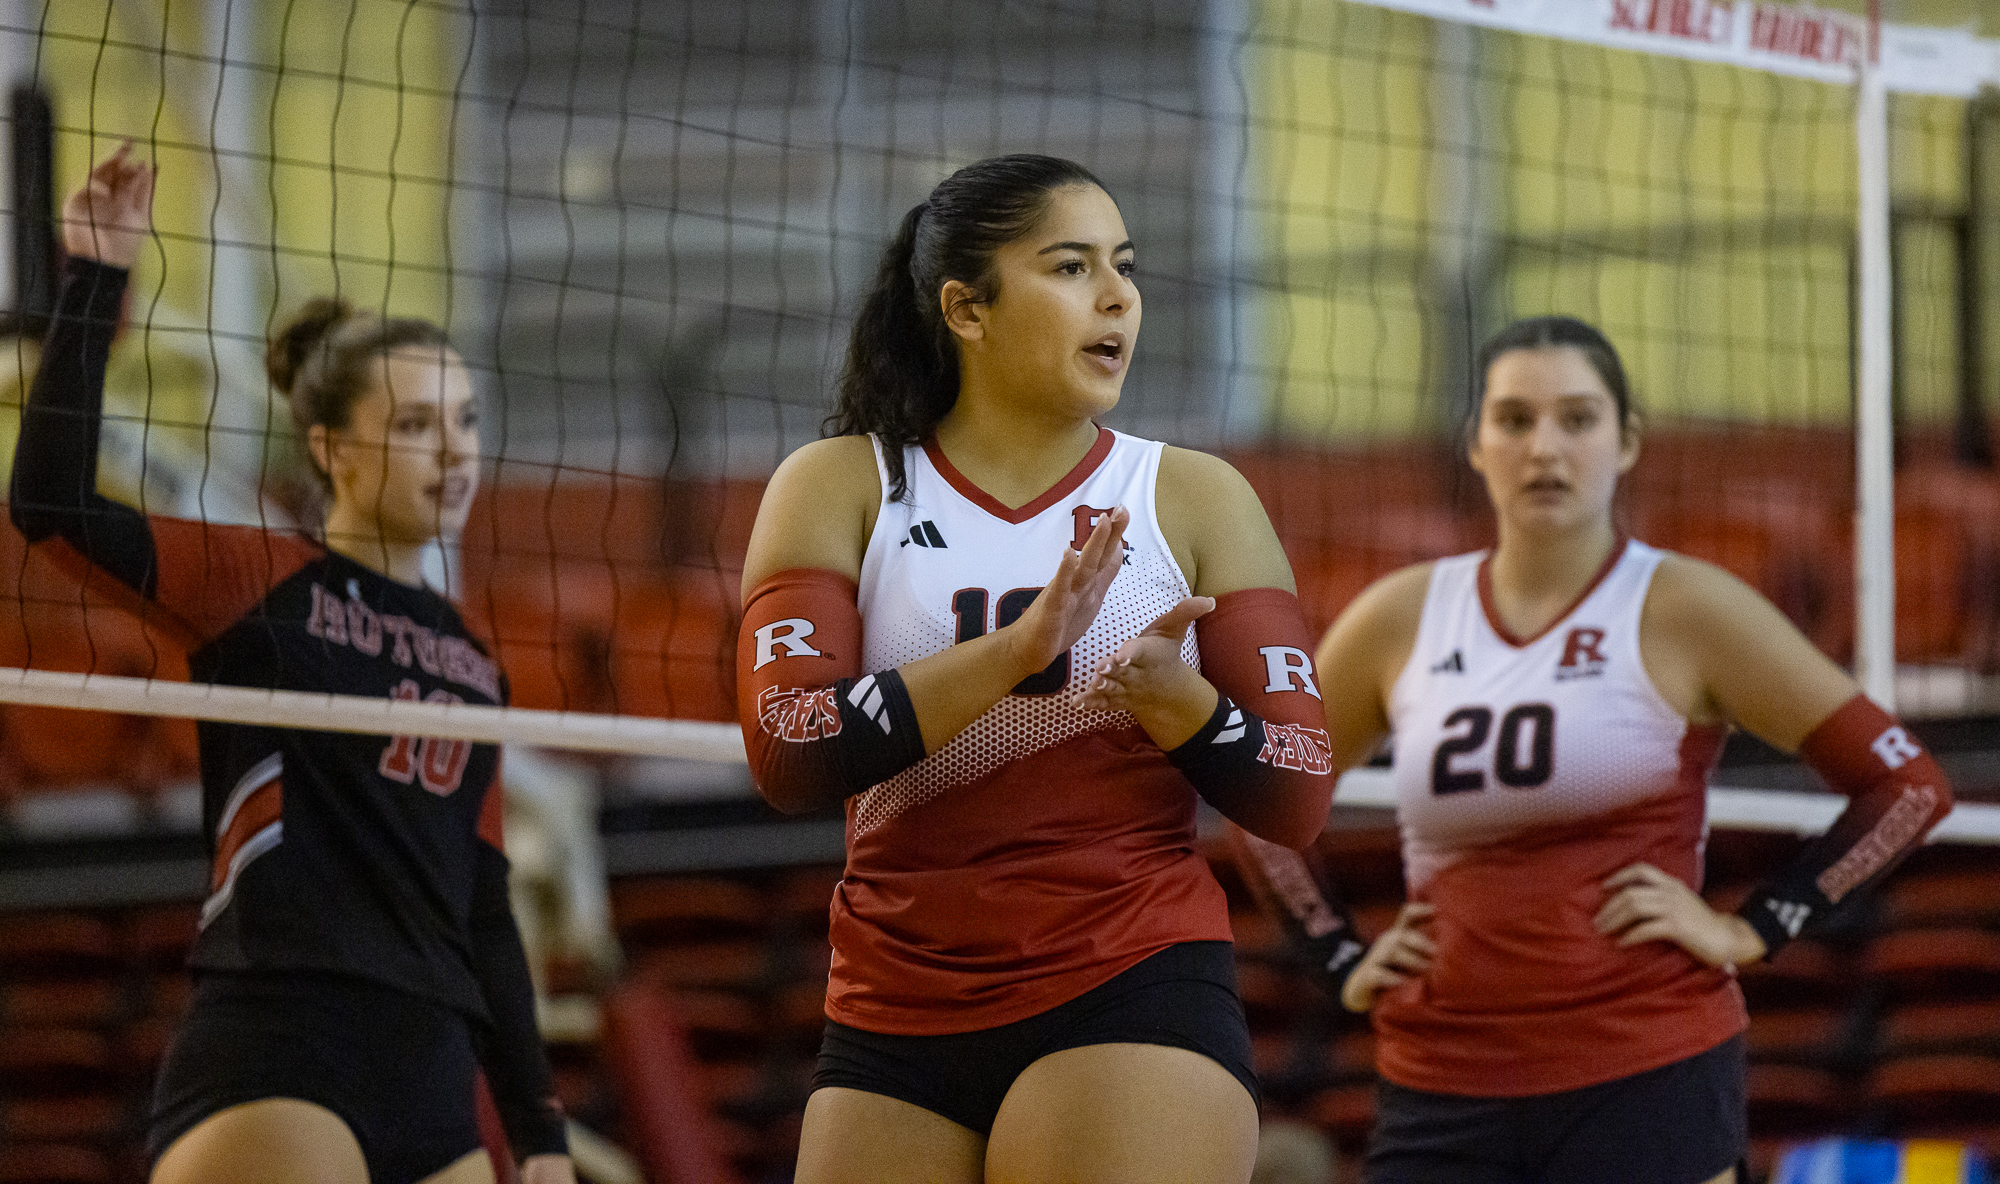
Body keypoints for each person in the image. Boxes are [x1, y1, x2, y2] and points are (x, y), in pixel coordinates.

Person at [1190, 316, 1955, 1184]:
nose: (1543, 447)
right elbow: (1263, 794)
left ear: (1626, 442)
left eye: (1577, 419)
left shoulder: (1689, 607)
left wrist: (1754, 925)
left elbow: (1909, 785)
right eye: (1514, 420)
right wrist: (1339, 956)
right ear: (1475, 443)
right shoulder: (1399, 616)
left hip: (1646, 1070)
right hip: (1440, 1079)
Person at [735, 154, 1340, 1184]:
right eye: (1069, 267)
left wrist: (1182, 705)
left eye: (1124, 266)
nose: (1116, 296)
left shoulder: (1190, 496)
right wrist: (1017, 653)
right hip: (893, 1000)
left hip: (1127, 979)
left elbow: (1295, 788)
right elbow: (790, 749)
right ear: (965, 308)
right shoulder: (839, 484)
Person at [12, 144, 574, 1184]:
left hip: (435, 1075)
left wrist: (538, 1131)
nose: (454, 453)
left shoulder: (470, 660)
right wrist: (96, 278)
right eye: (414, 425)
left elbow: (484, 906)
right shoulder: (259, 577)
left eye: (465, 419)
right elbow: (51, 506)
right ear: (332, 448)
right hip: (281, 1042)